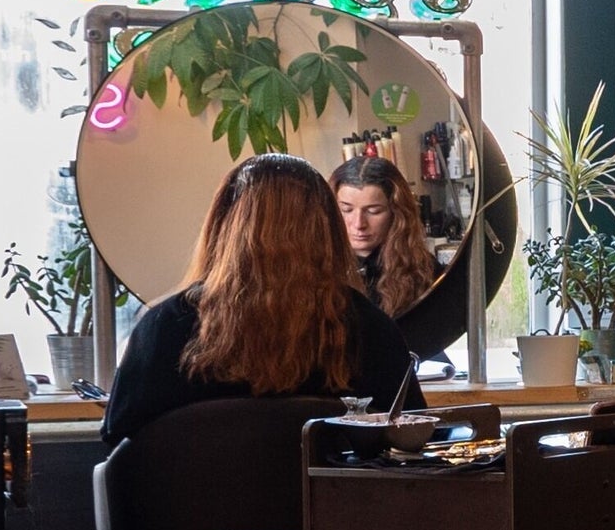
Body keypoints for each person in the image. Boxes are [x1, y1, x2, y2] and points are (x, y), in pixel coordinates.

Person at [101, 153, 422, 457]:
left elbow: (119, 433)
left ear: (223, 224)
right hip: (330, 499)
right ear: (328, 228)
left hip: (195, 499)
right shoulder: (368, 328)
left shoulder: (167, 326)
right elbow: (414, 431)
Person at [330, 153, 438, 322]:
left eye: (373, 211)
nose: (358, 223)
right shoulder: (315, 267)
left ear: (397, 213)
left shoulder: (423, 271)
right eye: (346, 210)